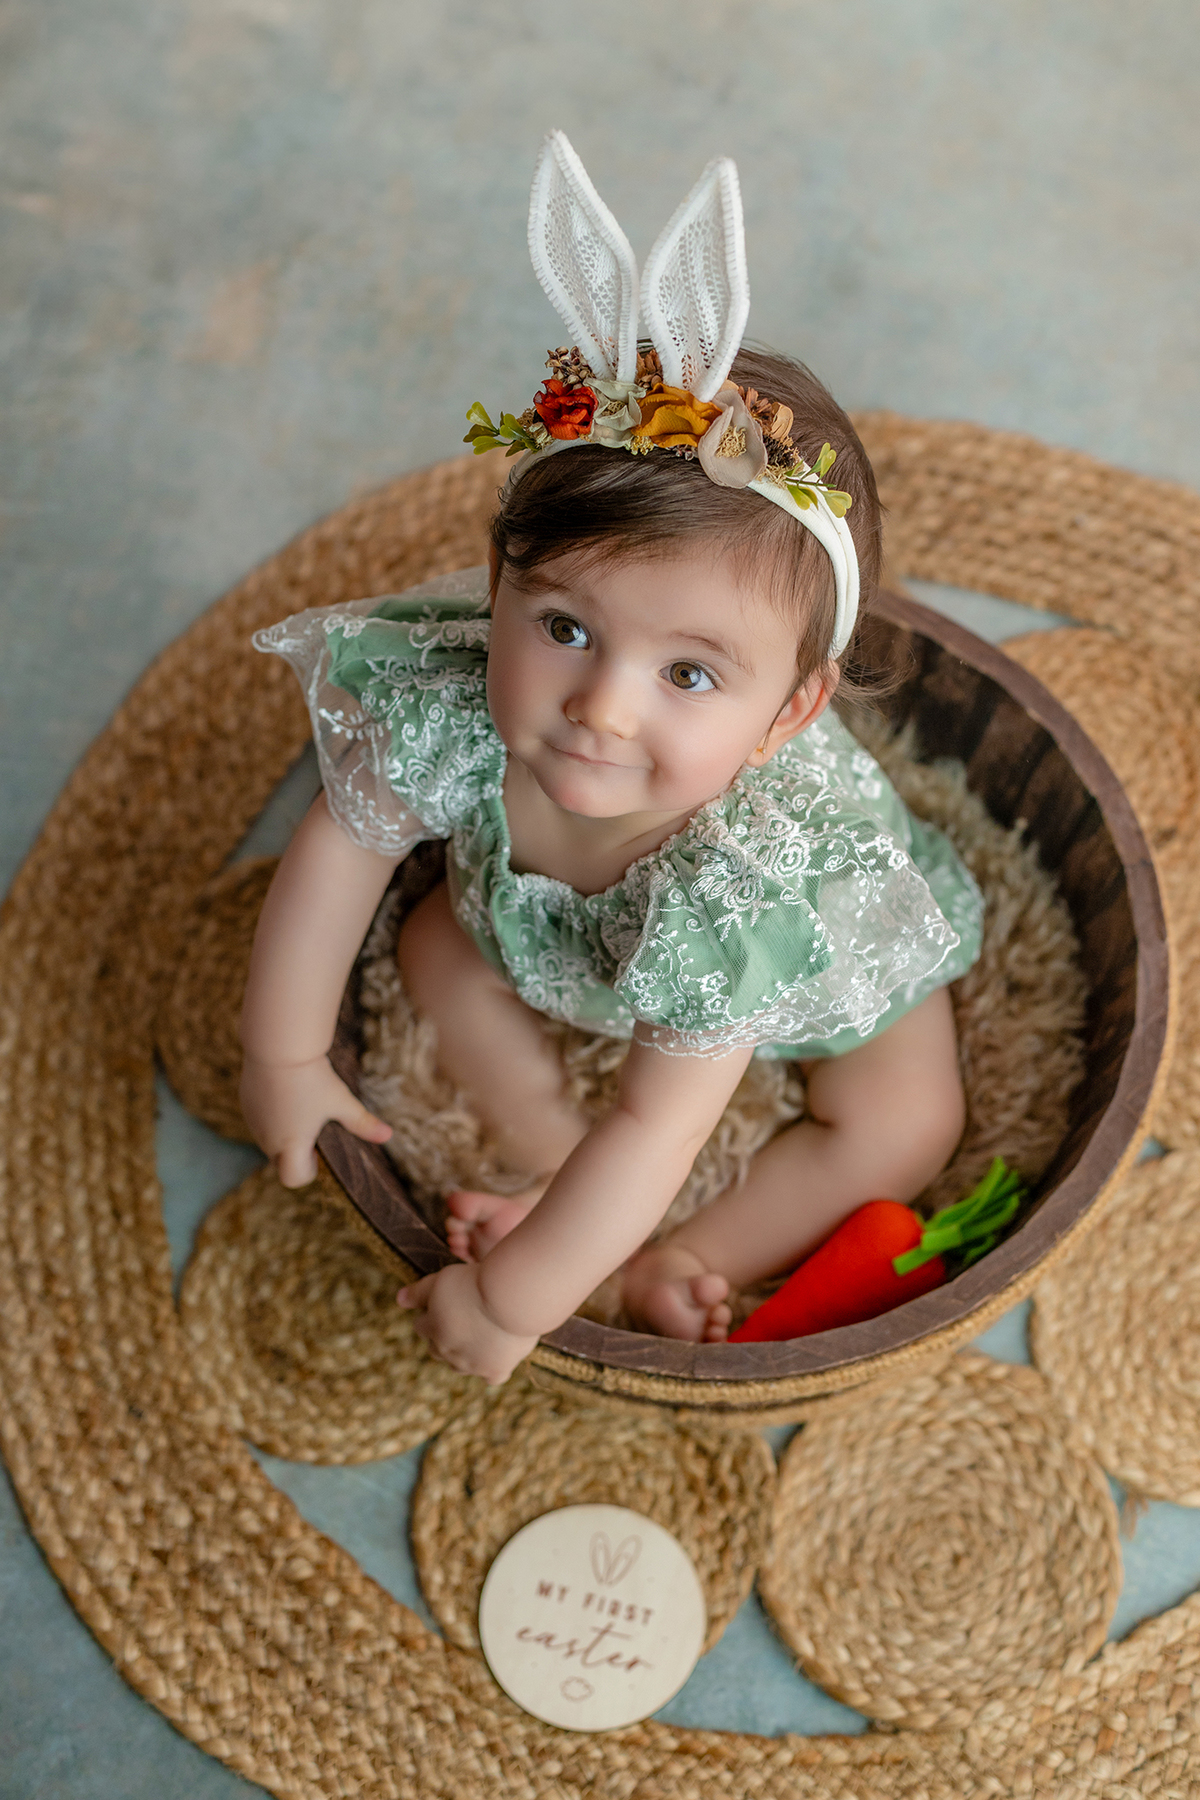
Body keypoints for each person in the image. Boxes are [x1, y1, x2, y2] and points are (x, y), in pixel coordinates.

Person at [239, 136, 983, 1384]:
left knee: (909, 1123)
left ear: (789, 714)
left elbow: (658, 1119)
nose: (602, 707)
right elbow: (336, 850)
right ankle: (541, 1155)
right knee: (433, 945)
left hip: (806, 956)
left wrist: (515, 1301)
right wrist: (287, 1058)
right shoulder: (456, 707)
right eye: (566, 627)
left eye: (689, 675)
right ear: (498, 591)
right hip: (562, 944)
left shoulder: (752, 884)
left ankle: (673, 1256)